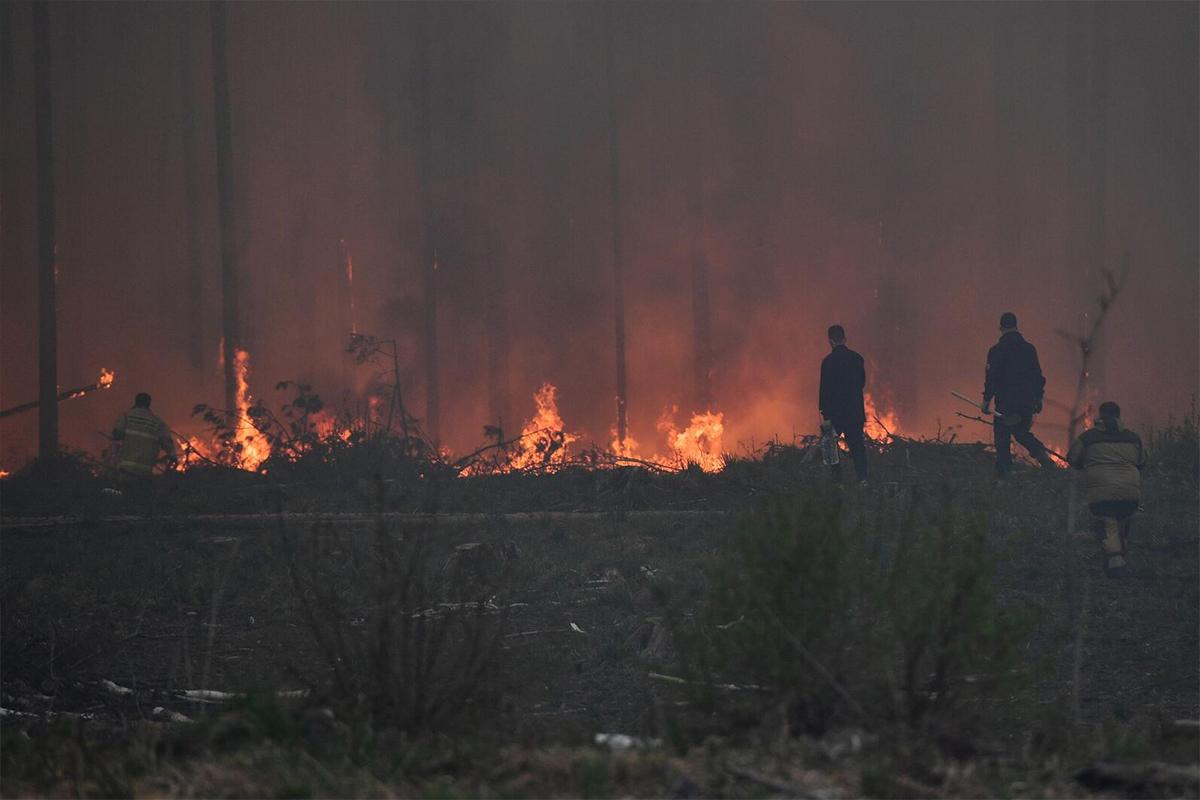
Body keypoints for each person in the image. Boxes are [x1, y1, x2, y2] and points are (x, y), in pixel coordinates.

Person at [1068, 402, 1147, 577]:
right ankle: (1121, 550)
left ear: (1100, 416)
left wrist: (1086, 464)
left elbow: (1073, 458)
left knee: (1106, 522)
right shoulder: (1133, 438)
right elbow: (1142, 462)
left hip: (1101, 494)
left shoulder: (1088, 438)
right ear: (1119, 416)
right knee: (1123, 519)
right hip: (1130, 493)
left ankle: (1115, 560)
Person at [982, 312, 1054, 477]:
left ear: (1001, 328)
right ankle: (1043, 457)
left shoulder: (996, 351)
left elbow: (992, 378)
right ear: (1016, 326)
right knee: (1021, 432)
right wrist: (1038, 398)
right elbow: (1038, 376)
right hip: (1026, 402)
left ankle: (1004, 473)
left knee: (1002, 437)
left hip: (1005, 403)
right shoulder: (1029, 349)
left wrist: (986, 400)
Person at [819, 324, 867, 483]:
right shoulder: (857, 359)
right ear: (844, 338)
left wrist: (825, 415)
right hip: (854, 413)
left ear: (830, 341)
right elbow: (861, 383)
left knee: (831, 449)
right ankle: (863, 480)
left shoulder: (827, 363)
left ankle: (838, 483)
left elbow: (824, 391)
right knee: (857, 448)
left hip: (835, 415)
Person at [112, 392, 177, 475]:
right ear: (149, 404)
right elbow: (167, 442)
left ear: (136, 402)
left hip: (126, 467)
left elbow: (116, 434)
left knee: (123, 487)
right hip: (145, 469)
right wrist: (173, 455)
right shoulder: (157, 422)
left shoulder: (126, 416)